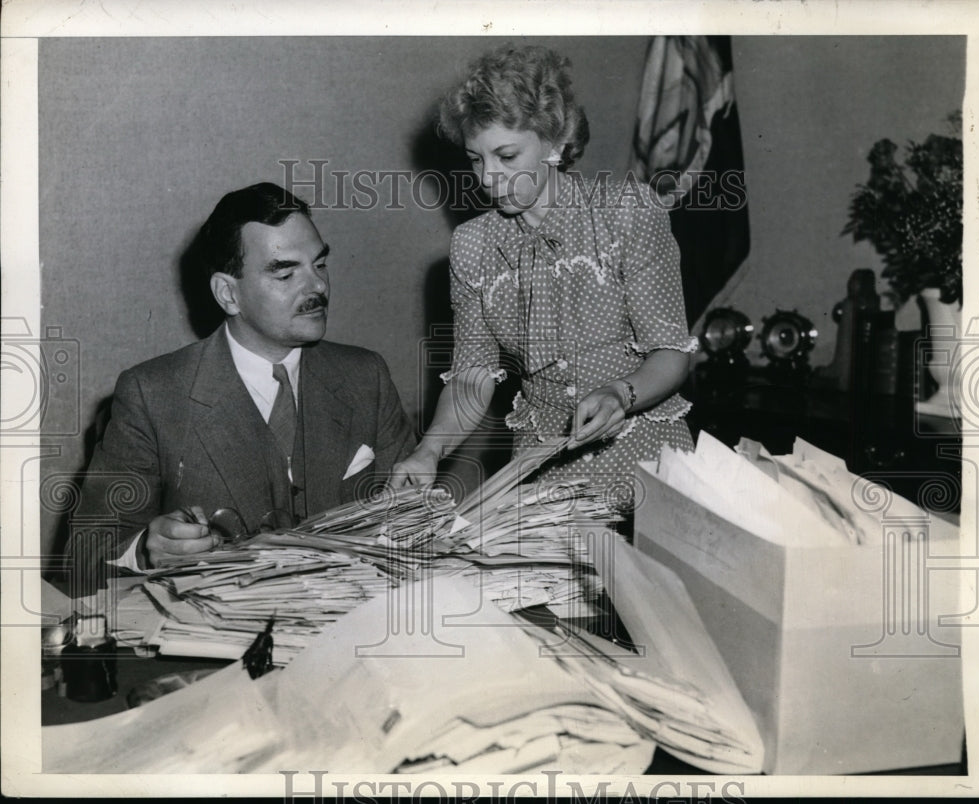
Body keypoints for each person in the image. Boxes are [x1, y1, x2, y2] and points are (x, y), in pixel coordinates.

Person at [69, 182, 414, 591]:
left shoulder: (365, 376)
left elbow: (416, 527)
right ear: (228, 294)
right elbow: (83, 561)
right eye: (286, 272)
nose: (317, 287)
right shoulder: (151, 394)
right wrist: (145, 549)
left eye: (319, 265)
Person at [390, 45, 696, 495]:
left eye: (507, 156)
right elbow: (472, 375)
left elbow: (673, 351)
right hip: (541, 472)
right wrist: (429, 451)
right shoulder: (472, 246)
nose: (487, 177)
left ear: (555, 142)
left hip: (645, 460)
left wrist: (619, 394)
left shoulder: (626, 212)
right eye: (476, 158)